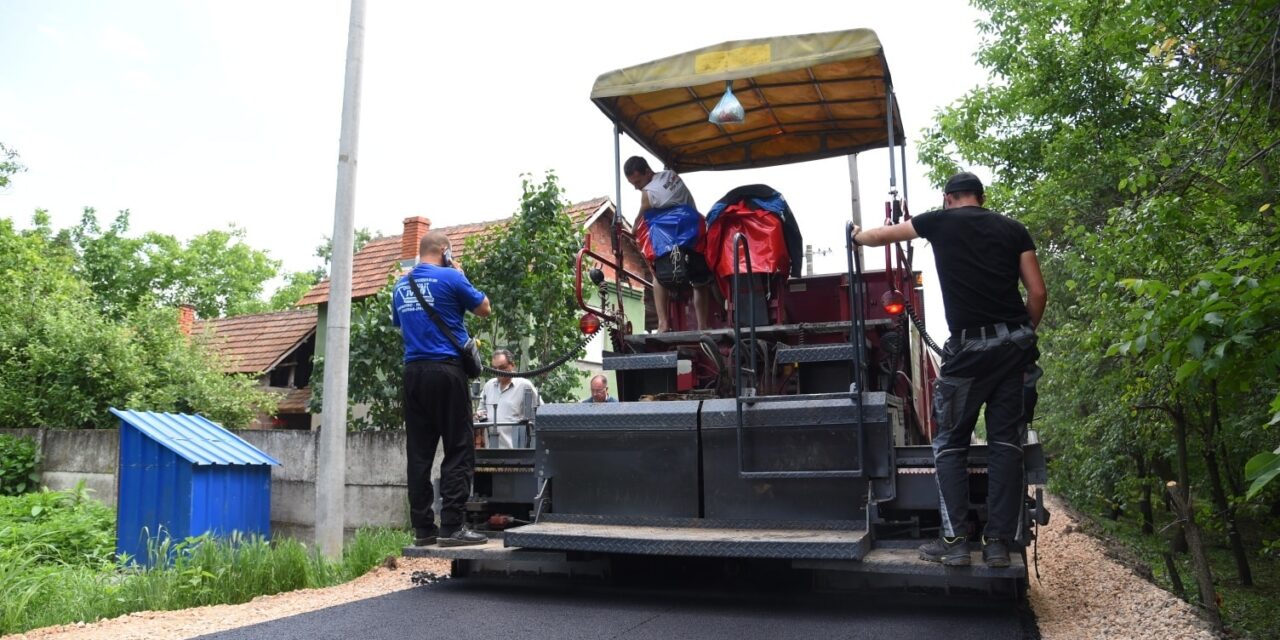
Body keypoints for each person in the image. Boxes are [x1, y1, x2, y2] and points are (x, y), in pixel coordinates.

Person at [850, 171, 1046, 569]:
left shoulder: (938, 222)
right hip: (1013, 351)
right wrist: (1018, 336)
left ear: (947, 198)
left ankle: (955, 543)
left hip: (967, 354)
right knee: (1006, 445)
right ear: (981, 197)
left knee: (951, 445)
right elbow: (1038, 292)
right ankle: (997, 544)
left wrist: (856, 235)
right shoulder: (1014, 229)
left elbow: (882, 235)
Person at [392, 230, 492, 548]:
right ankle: (452, 527)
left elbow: (401, 324)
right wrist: (460, 274)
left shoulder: (400, 285)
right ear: (445, 251)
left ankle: (423, 529)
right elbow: (484, 308)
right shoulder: (451, 277)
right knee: (459, 447)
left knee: (419, 454)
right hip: (446, 371)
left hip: (413, 373)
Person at [624, 156, 713, 332]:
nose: (637, 187)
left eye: (638, 182)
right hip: (694, 234)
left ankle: (663, 324)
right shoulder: (671, 175)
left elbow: (639, 221)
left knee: (658, 277)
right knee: (700, 281)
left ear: (647, 172)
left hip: (671, 242)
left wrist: (633, 231)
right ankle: (702, 326)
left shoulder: (648, 194)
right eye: (633, 184)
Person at [475, 349, 540, 448]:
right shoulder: (489, 386)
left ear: (512, 365)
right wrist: (479, 415)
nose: (497, 371)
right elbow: (481, 411)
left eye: (502, 367)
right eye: (494, 368)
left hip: (516, 450)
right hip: (492, 449)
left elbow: (539, 412)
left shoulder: (524, 386)